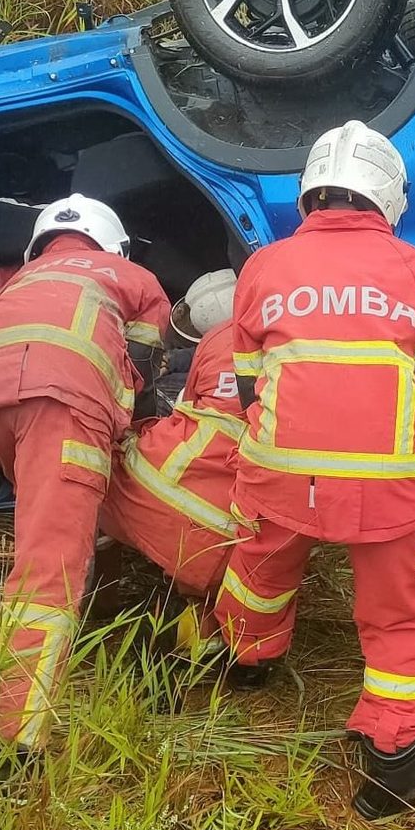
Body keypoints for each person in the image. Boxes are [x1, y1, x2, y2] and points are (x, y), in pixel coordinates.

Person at [211, 120, 415, 820]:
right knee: (398, 614)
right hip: (388, 488)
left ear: (310, 197)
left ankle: (247, 664)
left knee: (261, 569)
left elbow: (247, 388)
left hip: (277, 475)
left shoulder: (263, 269)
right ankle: (395, 764)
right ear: (389, 199)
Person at [0, 195, 170, 754]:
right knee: (48, 568)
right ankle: (11, 740)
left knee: (45, 515)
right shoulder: (134, 278)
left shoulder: (19, 280)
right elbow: (141, 373)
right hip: (61, 398)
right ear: (110, 242)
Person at [97, 269, 245, 660]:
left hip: (170, 511)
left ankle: (97, 601)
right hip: (246, 546)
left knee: (93, 478)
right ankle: (202, 623)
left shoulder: (211, 351)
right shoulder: (288, 353)